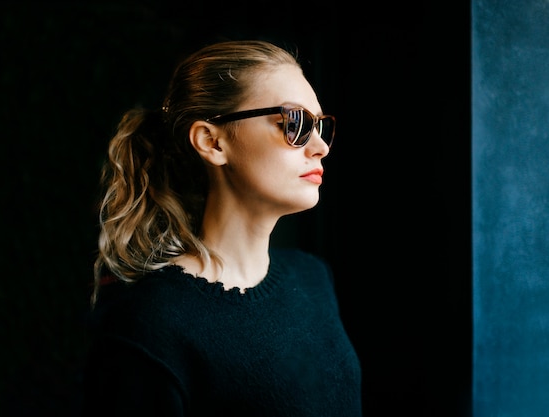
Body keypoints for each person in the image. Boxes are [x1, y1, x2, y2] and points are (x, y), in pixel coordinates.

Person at [81, 39, 362, 416]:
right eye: (295, 123)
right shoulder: (151, 325)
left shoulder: (313, 278)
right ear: (212, 141)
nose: (320, 147)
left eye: (320, 127)